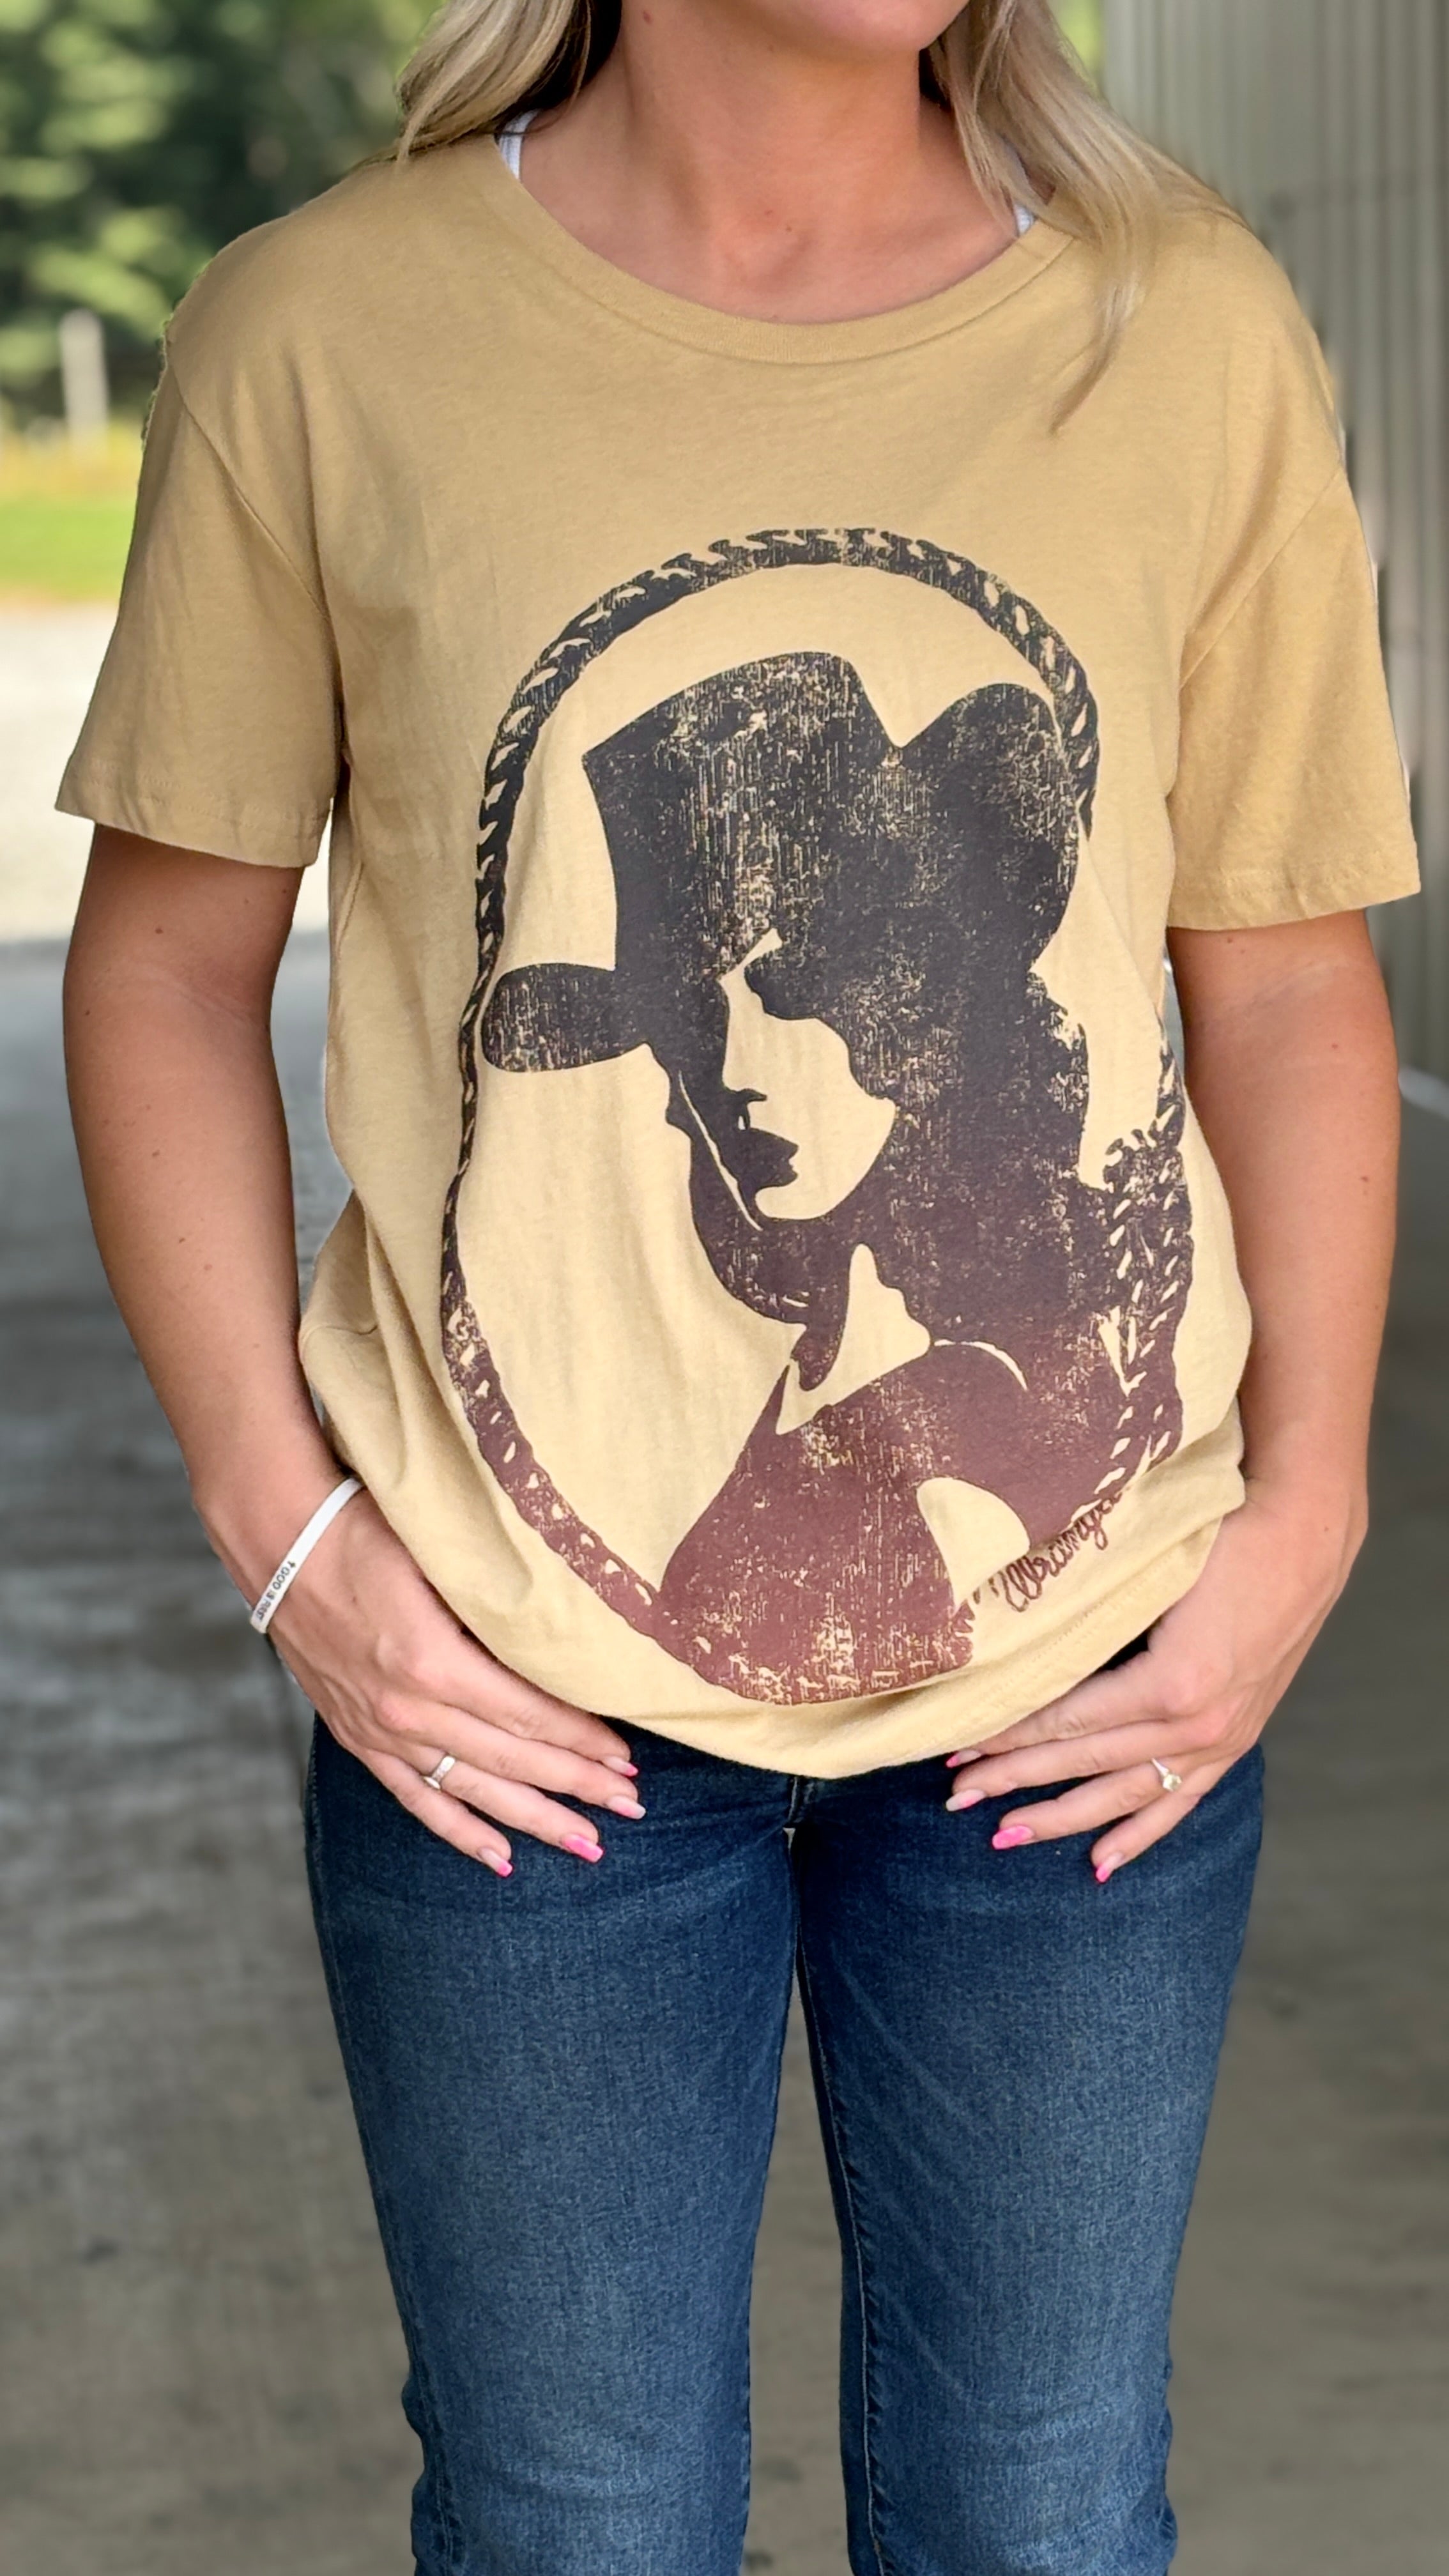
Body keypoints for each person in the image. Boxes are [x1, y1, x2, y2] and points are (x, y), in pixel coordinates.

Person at [59, 0, 1418, 2565]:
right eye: (714, 1015)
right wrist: (285, 1528)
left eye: (827, 996)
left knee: (1040, 2519)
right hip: (507, 1704)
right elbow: (156, 966)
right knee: (573, 2529)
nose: (757, 1066)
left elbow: (1282, 975)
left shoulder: (1177, 322)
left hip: (1086, 1686)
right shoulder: (323, 333)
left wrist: (1310, 1505)